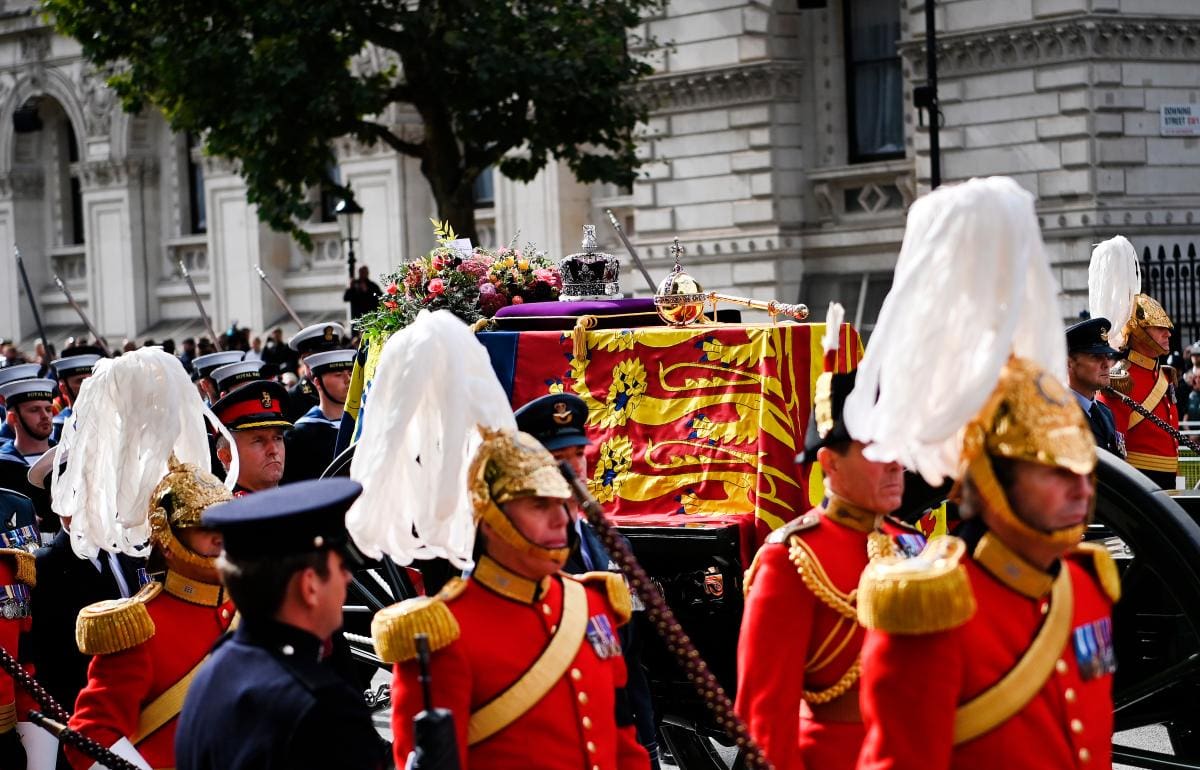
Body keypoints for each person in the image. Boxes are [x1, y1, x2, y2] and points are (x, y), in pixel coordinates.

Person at [842, 177, 1116, 770]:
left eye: (1083, 466)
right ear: (991, 477)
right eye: (1052, 469)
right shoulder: (928, 612)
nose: (1082, 487)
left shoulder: (1087, 586)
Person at [374, 428, 650, 769]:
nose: (560, 520)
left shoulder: (592, 603)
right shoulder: (443, 636)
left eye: (563, 503)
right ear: (489, 518)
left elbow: (622, 740)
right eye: (538, 505)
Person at [734, 307, 922, 770]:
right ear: (830, 465)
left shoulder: (913, 545)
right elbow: (765, 715)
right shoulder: (790, 558)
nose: (897, 463)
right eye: (876, 450)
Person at [58, 348, 237, 770]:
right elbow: (90, 737)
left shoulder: (247, 607)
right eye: (201, 527)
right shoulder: (138, 629)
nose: (218, 538)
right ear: (169, 534)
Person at [174, 479, 388, 770]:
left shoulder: (214, 672)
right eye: (341, 567)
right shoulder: (325, 708)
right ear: (309, 586)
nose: (348, 579)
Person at [515, 391, 661, 767]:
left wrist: (646, 738)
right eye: (558, 459)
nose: (575, 468)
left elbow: (631, 650)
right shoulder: (516, 554)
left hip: (624, 725)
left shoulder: (609, 540)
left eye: (578, 454)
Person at [29, 448, 148, 760]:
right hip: (89, 728)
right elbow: (52, 666)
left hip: (147, 711)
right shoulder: (44, 568)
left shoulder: (134, 549)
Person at [1092, 235, 1180, 488]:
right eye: (1158, 328)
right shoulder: (1120, 378)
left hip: (1168, 475)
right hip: (1140, 478)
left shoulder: (1164, 374)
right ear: (1139, 331)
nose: (1168, 333)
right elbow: (1114, 443)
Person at [283, 349, 355, 483]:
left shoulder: (363, 423)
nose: (348, 379)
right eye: (338, 374)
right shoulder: (298, 435)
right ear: (317, 382)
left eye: (351, 373)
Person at [211, 380, 291, 495]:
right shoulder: (225, 511)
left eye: (277, 438)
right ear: (227, 457)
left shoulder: (298, 502)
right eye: (258, 440)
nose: (274, 450)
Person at [0, 379, 58, 526]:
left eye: (48, 409)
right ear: (13, 418)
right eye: (34, 410)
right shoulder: (3, 464)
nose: (45, 416)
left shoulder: (67, 458)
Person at [1065, 317, 1124, 457]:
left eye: (1107, 356)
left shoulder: (1104, 412)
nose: (1106, 364)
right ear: (1069, 363)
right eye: (1096, 357)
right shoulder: (1060, 414)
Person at [284, 323, 346, 423]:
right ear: (305, 360)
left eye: (334, 355)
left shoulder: (348, 388)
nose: (331, 362)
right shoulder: (291, 399)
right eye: (323, 358)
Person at [48, 346, 103, 444]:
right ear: (63, 388)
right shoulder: (58, 426)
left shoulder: (109, 416)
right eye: (81, 381)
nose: (89, 385)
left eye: (92, 379)